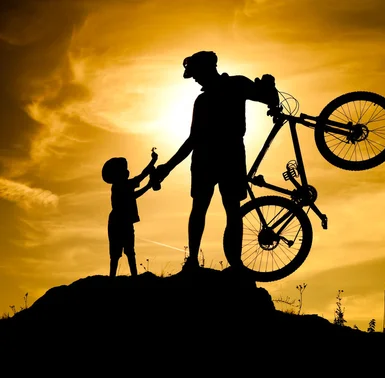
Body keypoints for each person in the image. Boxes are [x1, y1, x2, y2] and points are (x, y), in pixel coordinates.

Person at [153, 50, 280, 272]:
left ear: (207, 69)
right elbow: (193, 138)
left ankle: (231, 263)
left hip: (219, 157)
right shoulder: (211, 96)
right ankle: (198, 261)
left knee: (225, 209)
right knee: (213, 208)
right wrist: (168, 167)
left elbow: (267, 98)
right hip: (218, 157)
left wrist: (270, 87)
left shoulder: (231, 87)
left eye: (196, 74)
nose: (195, 79)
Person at [102, 148, 158, 277]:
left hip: (121, 220)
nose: (127, 171)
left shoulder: (122, 184)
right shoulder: (120, 185)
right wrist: (149, 184)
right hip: (119, 221)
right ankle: (121, 277)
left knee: (127, 251)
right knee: (119, 253)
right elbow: (136, 190)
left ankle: (128, 276)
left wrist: (152, 162)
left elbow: (142, 176)